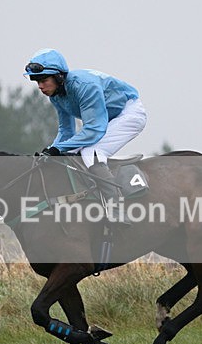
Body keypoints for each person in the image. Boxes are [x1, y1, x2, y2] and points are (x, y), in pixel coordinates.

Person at [24, 48, 147, 226]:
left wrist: (58, 149)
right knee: (69, 152)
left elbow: (94, 130)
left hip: (129, 113)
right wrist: (50, 151)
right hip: (108, 119)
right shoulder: (56, 96)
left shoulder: (84, 86)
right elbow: (66, 131)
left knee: (91, 151)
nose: (40, 87)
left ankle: (116, 209)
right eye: (37, 82)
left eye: (43, 80)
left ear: (59, 77)